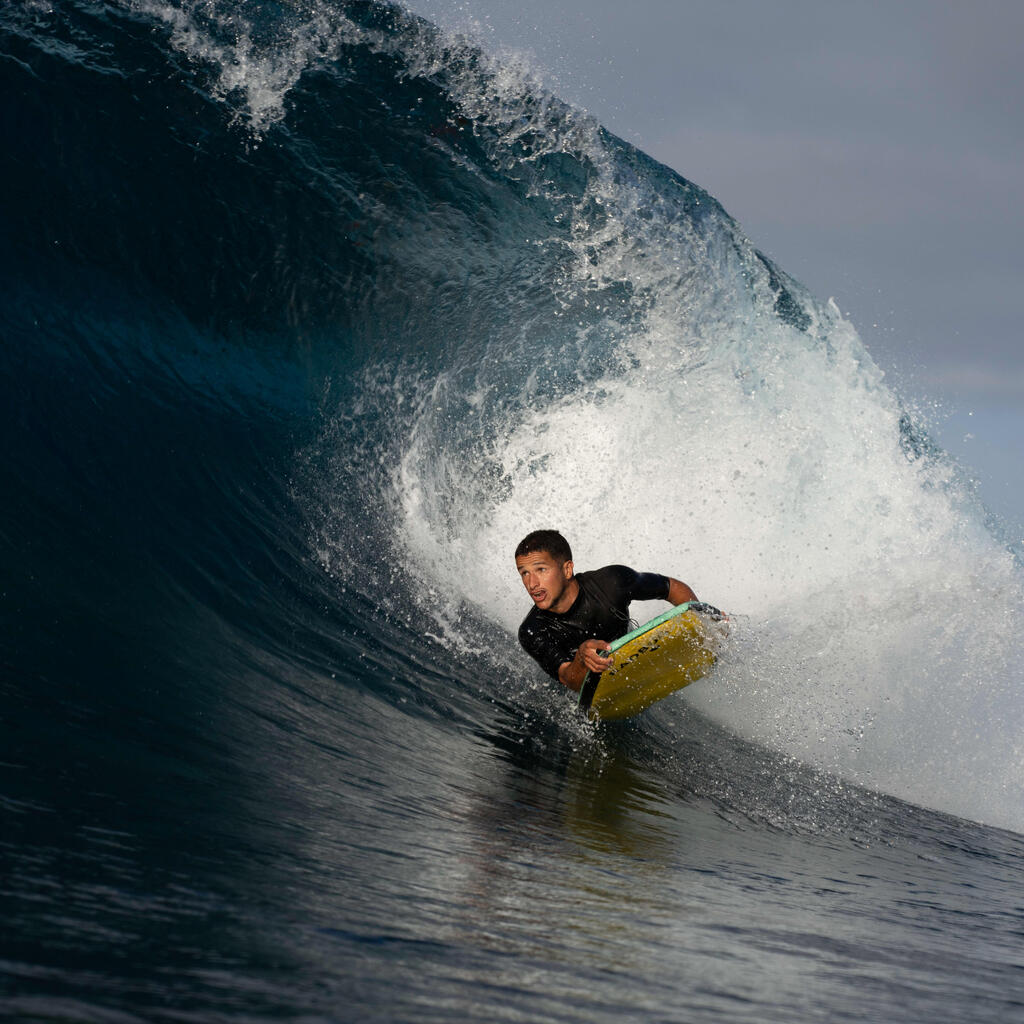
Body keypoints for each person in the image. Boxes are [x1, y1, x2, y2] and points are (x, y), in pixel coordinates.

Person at [514, 529, 700, 693]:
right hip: (585, 686)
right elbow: (568, 679)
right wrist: (580, 658)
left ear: (567, 570)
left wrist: (701, 620)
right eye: (524, 573)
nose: (531, 584)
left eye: (541, 569)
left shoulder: (612, 582)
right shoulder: (532, 631)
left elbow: (670, 588)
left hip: (630, 653)